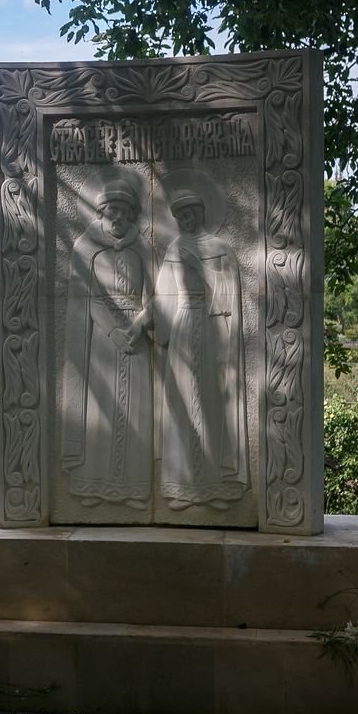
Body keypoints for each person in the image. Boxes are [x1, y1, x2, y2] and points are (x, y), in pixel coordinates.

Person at [61, 179, 155, 509]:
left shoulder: (140, 245)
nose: (118, 215)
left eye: (124, 210)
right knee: (100, 409)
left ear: (131, 213)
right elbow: (87, 298)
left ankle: (133, 489)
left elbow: (160, 293)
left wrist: (141, 321)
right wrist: (114, 331)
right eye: (112, 209)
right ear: (102, 211)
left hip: (137, 338)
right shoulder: (87, 245)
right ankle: (91, 486)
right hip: (101, 339)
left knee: (136, 413)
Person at [152, 188, 248, 510]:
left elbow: (229, 296)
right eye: (179, 218)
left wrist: (201, 267)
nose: (184, 221)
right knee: (182, 405)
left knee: (210, 402)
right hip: (182, 326)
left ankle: (214, 487)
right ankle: (181, 487)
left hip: (211, 331)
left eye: (189, 215)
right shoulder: (174, 249)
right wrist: (152, 329)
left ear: (200, 214)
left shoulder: (220, 249)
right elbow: (162, 295)